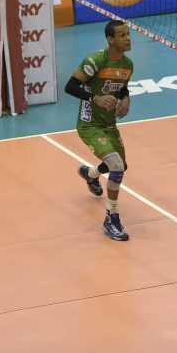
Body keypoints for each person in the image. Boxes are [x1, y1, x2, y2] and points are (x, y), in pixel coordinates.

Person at [66, 21, 134, 241]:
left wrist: (126, 98)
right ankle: (111, 218)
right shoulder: (95, 61)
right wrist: (95, 98)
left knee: (120, 166)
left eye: (128, 34)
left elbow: (122, 87)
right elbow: (70, 86)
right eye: (122, 35)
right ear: (110, 39)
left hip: (109, 124)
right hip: (90, 125)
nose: (128, 38)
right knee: (116, 166)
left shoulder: (128, 64)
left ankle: (91, 174)